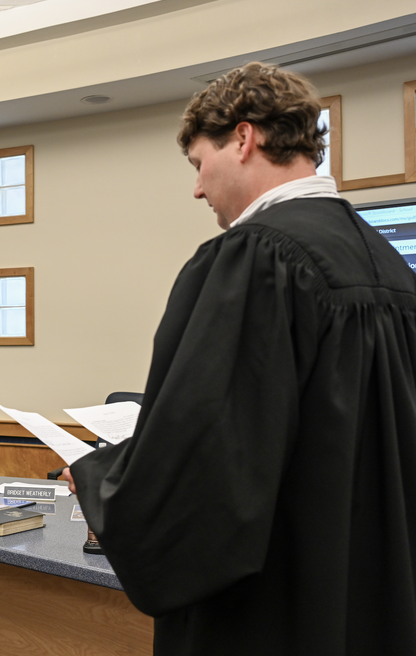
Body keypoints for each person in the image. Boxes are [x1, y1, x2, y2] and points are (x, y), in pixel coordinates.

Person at [63, 62, 416, 655]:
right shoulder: (391, 268)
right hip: (376, 596)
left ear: (244, 138)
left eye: (200, 164)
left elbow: (204, 474)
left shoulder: (255, 260)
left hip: (277, 607)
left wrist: (101, 481)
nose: (197, 188)